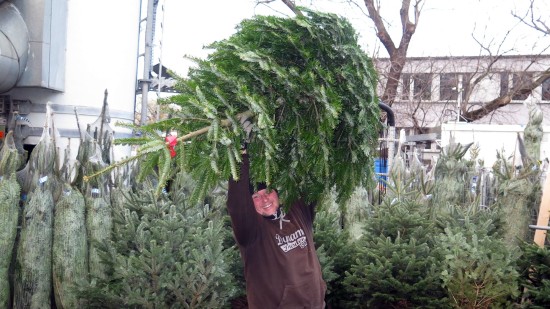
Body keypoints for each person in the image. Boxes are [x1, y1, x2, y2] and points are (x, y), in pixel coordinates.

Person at [226, 149, 327, 308]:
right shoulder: (252, 232)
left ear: (276, 192)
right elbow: (236, 204)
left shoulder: (298, 211)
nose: (264, 199)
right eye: (255, 196)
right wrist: (242, 155)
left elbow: (311, 175)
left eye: (267, 191)